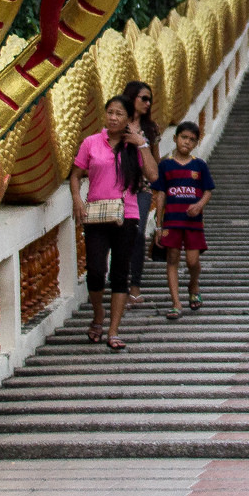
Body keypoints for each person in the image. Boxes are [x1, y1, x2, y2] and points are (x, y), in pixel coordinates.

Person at [70, 94, 158, 351]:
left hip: (126, 214)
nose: (113, 117)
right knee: (96, 271)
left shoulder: (135, 147)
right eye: (110, 112)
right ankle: (98, 313)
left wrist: (142, 144)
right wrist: (77, 199)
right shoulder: (91, 143)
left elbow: (153, 175)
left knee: (120, 273)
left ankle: (113, 330)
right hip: (96, 213)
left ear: (129, 119)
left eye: (119, 114)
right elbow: (75, 175)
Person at [153, 121, 215, 319]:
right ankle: (176, 302)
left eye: (191, 139)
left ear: (196, 143)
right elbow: (161, 194)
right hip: (172, 220)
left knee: (192, 261)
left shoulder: (199, 165)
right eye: (183, 137)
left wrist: (199, 205)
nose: (186, 142)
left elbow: (207, 191)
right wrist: (158, 225)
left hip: (193, 222)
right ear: (175, 138)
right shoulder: (166, 165)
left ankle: (193, 284)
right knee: (172, 259)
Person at [120, 81, 162, 302]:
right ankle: (120, 282)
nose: (147, 103)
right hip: (117, 187)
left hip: (142, 189)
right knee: (119, 235)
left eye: (150, 100)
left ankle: (134, 285)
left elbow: (156, 161)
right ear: (132, 97)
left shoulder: (151, 129)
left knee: (137, 233)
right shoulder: (117, 124)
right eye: (143, 98)